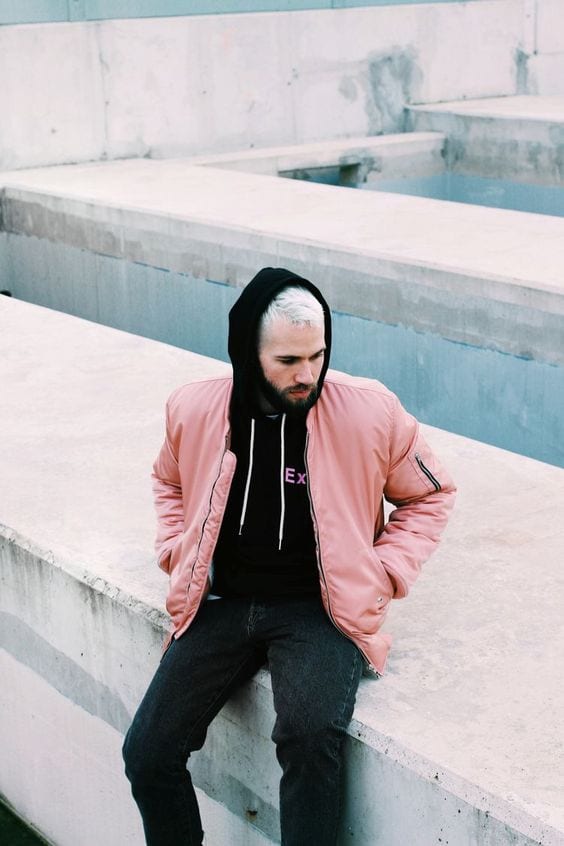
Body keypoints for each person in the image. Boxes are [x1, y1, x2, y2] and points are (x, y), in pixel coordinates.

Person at [123, 267, 456, 846]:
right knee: (148, 753)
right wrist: (176, 550)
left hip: (320, 609)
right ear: (248, 352)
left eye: (318, 356)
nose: (308, 375)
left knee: (306, 739)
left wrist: (385, 571)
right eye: (288, 361)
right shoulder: (194, 408)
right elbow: (168, 483)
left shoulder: (369, 410)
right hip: (221, 600)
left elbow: (431, 494)